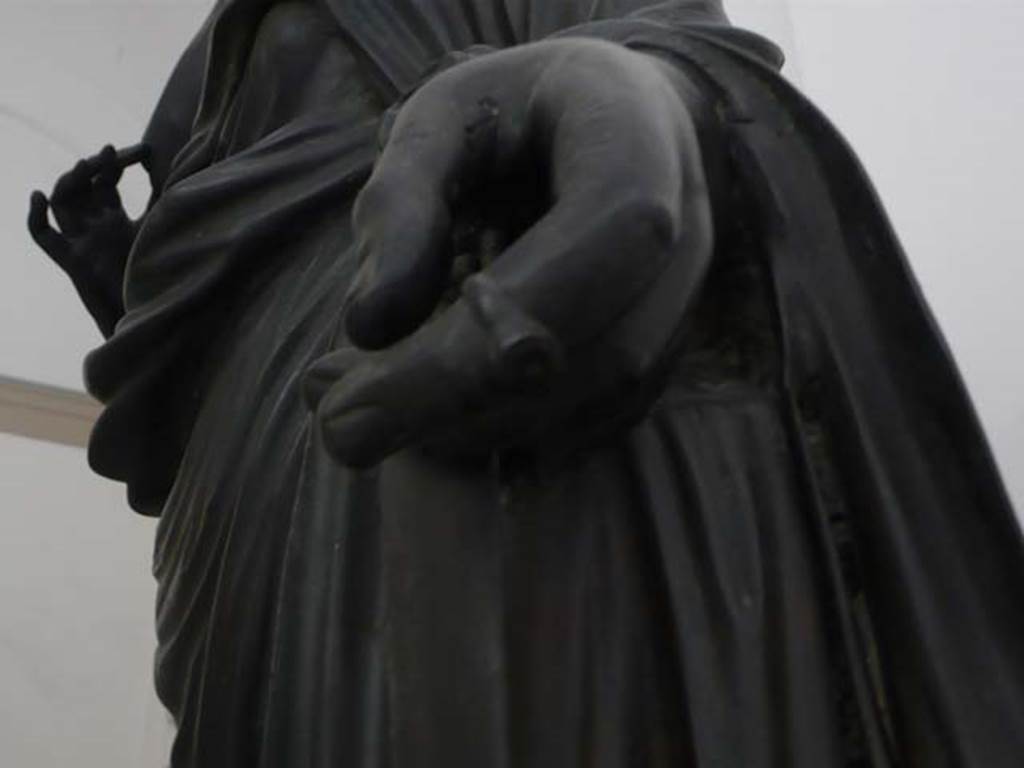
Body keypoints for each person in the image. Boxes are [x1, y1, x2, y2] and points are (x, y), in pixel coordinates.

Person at [27, 1, 1024, 765]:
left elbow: (664, 37)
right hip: (239, 479)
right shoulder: (216, 48)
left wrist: (643, 93)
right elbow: (204, 278)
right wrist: (132, 292)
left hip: (450, 332)